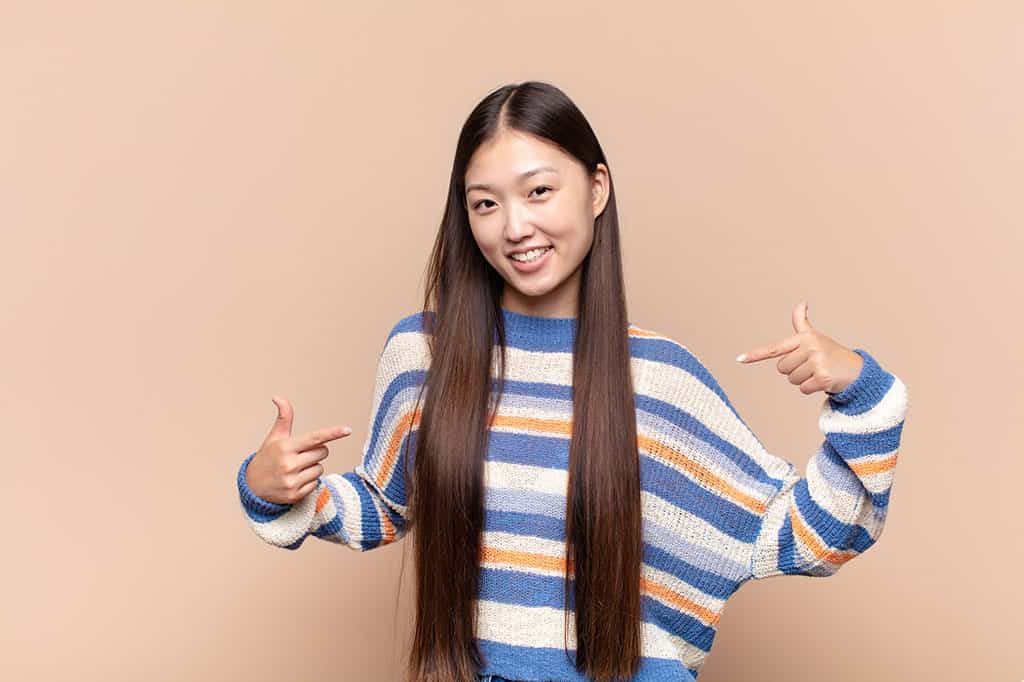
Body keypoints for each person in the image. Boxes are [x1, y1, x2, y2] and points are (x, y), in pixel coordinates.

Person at [236, 81, 910, 682]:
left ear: (596, 189)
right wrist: (277, 490)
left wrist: (861, 392)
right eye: (485, 204)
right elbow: (386, 506)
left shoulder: (658, 378)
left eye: (539, 191)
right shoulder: (425, 355)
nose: (515, 226)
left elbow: (799, 536)